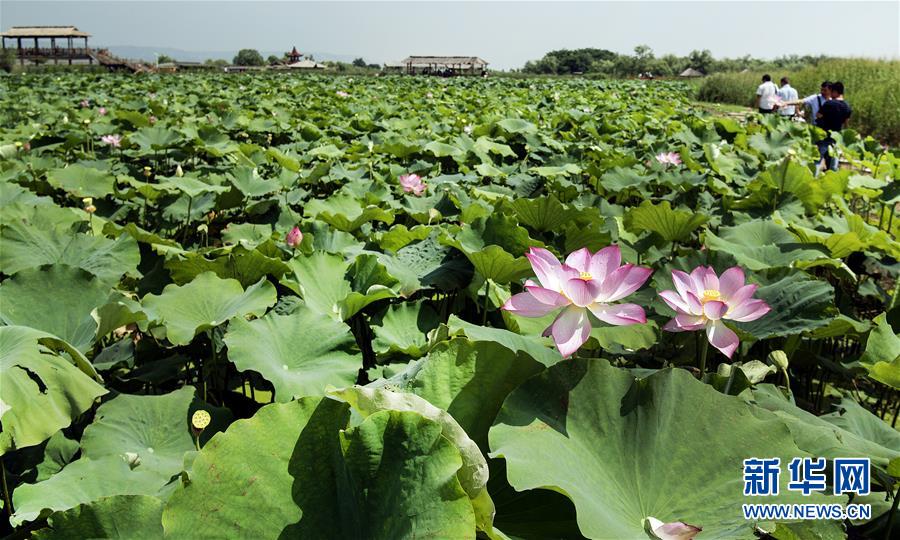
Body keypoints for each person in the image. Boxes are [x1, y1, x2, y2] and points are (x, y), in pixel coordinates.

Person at [815, 81, 851, 173]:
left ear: (834, 92)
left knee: (817, 162)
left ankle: (813, 179)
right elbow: (846, 123)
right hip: (836, 137)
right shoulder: (847, 107)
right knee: (833, 164)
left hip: (823, 135)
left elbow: (818, 115)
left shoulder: (829, 104)